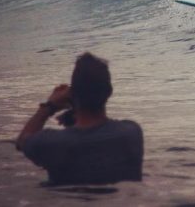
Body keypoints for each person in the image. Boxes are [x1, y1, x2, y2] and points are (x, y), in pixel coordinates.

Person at [15, 52, 143, 185]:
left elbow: (22, 142)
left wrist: (49, 106)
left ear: (73, 94)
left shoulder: (50, 143)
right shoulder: (132, 133)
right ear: (109, 92)